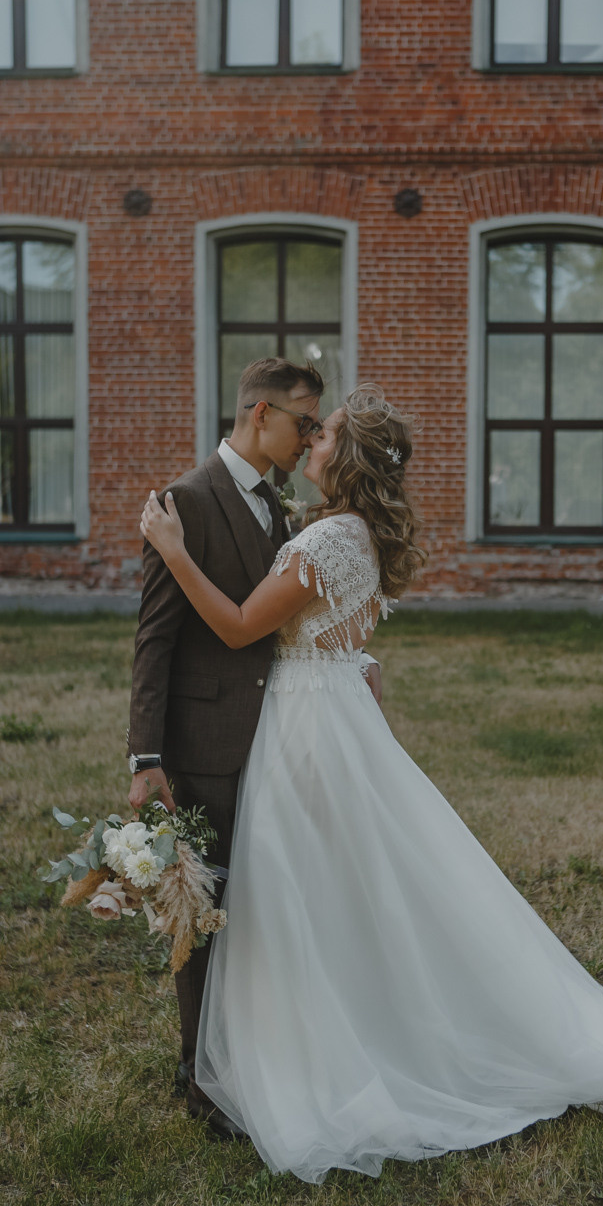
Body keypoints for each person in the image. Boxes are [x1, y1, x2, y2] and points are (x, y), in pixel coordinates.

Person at [139, 384, 603, 1185]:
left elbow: (241, 626)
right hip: (322, 715)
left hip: (308, 733)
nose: (308, 440)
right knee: (337, 894)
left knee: (304, 895)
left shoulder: (328, 538)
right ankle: (348, 1033)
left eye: (324, 433)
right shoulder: (346, 533)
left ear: (345, 457)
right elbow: (328, 633)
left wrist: (173, 550)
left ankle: (336, 1055)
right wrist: (355, 661)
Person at [127, 356, 380, 1138]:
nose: (311, 435)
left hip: (280, 738)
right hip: (203, 742)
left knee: (264, 912)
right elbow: (155, 641)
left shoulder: (287, 507)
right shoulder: (186, 501)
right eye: (305, 421)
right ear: (261, 414)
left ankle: (255, 1057)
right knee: (200, 917)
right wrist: (145, 760)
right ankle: (197, 1074)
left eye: (319, 429)